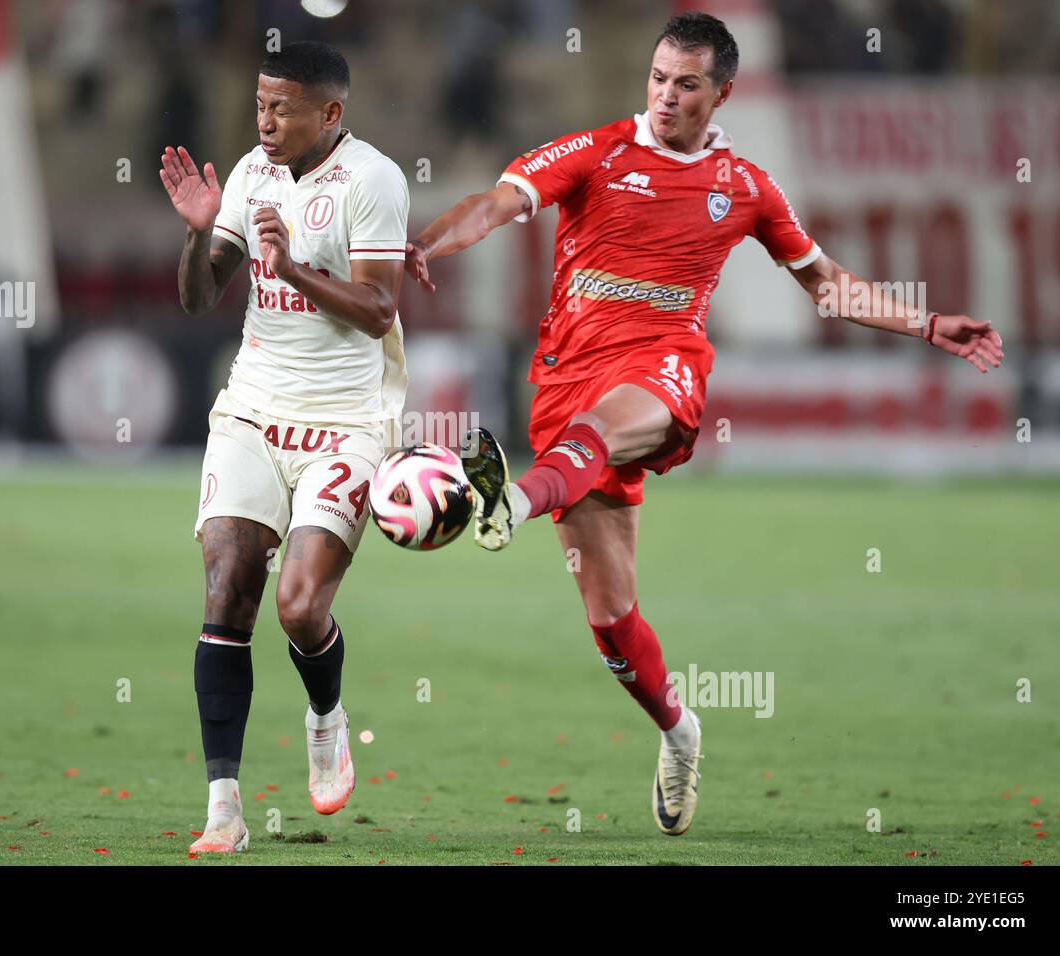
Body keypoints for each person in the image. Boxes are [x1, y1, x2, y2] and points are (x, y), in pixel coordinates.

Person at [404, 11, 1003, 836]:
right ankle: (680, 731)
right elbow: (497, 204)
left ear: (720, 92)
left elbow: (827, 286)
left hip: (664, 369)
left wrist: (929, 325)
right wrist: (427, 246)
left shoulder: (748, 187)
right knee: (612, 622)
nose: (665, 96)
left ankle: (508, 501)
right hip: (565, 382)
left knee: (609, 426)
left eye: (686, 84)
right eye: (657, 78)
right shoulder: (597, 152)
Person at [160, 40, 409, 854]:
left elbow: (377, 309)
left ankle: (326, 716)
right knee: (228, 588)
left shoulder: (372, 180)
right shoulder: (249, 173)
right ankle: (223, 808)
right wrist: (200, 236)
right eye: (258, 104)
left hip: (346, 421)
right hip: (254, 413)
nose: (263, 121)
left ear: (330, 113)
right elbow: (200, 301)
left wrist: (293, 269)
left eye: (281, 108)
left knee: (300, 606)